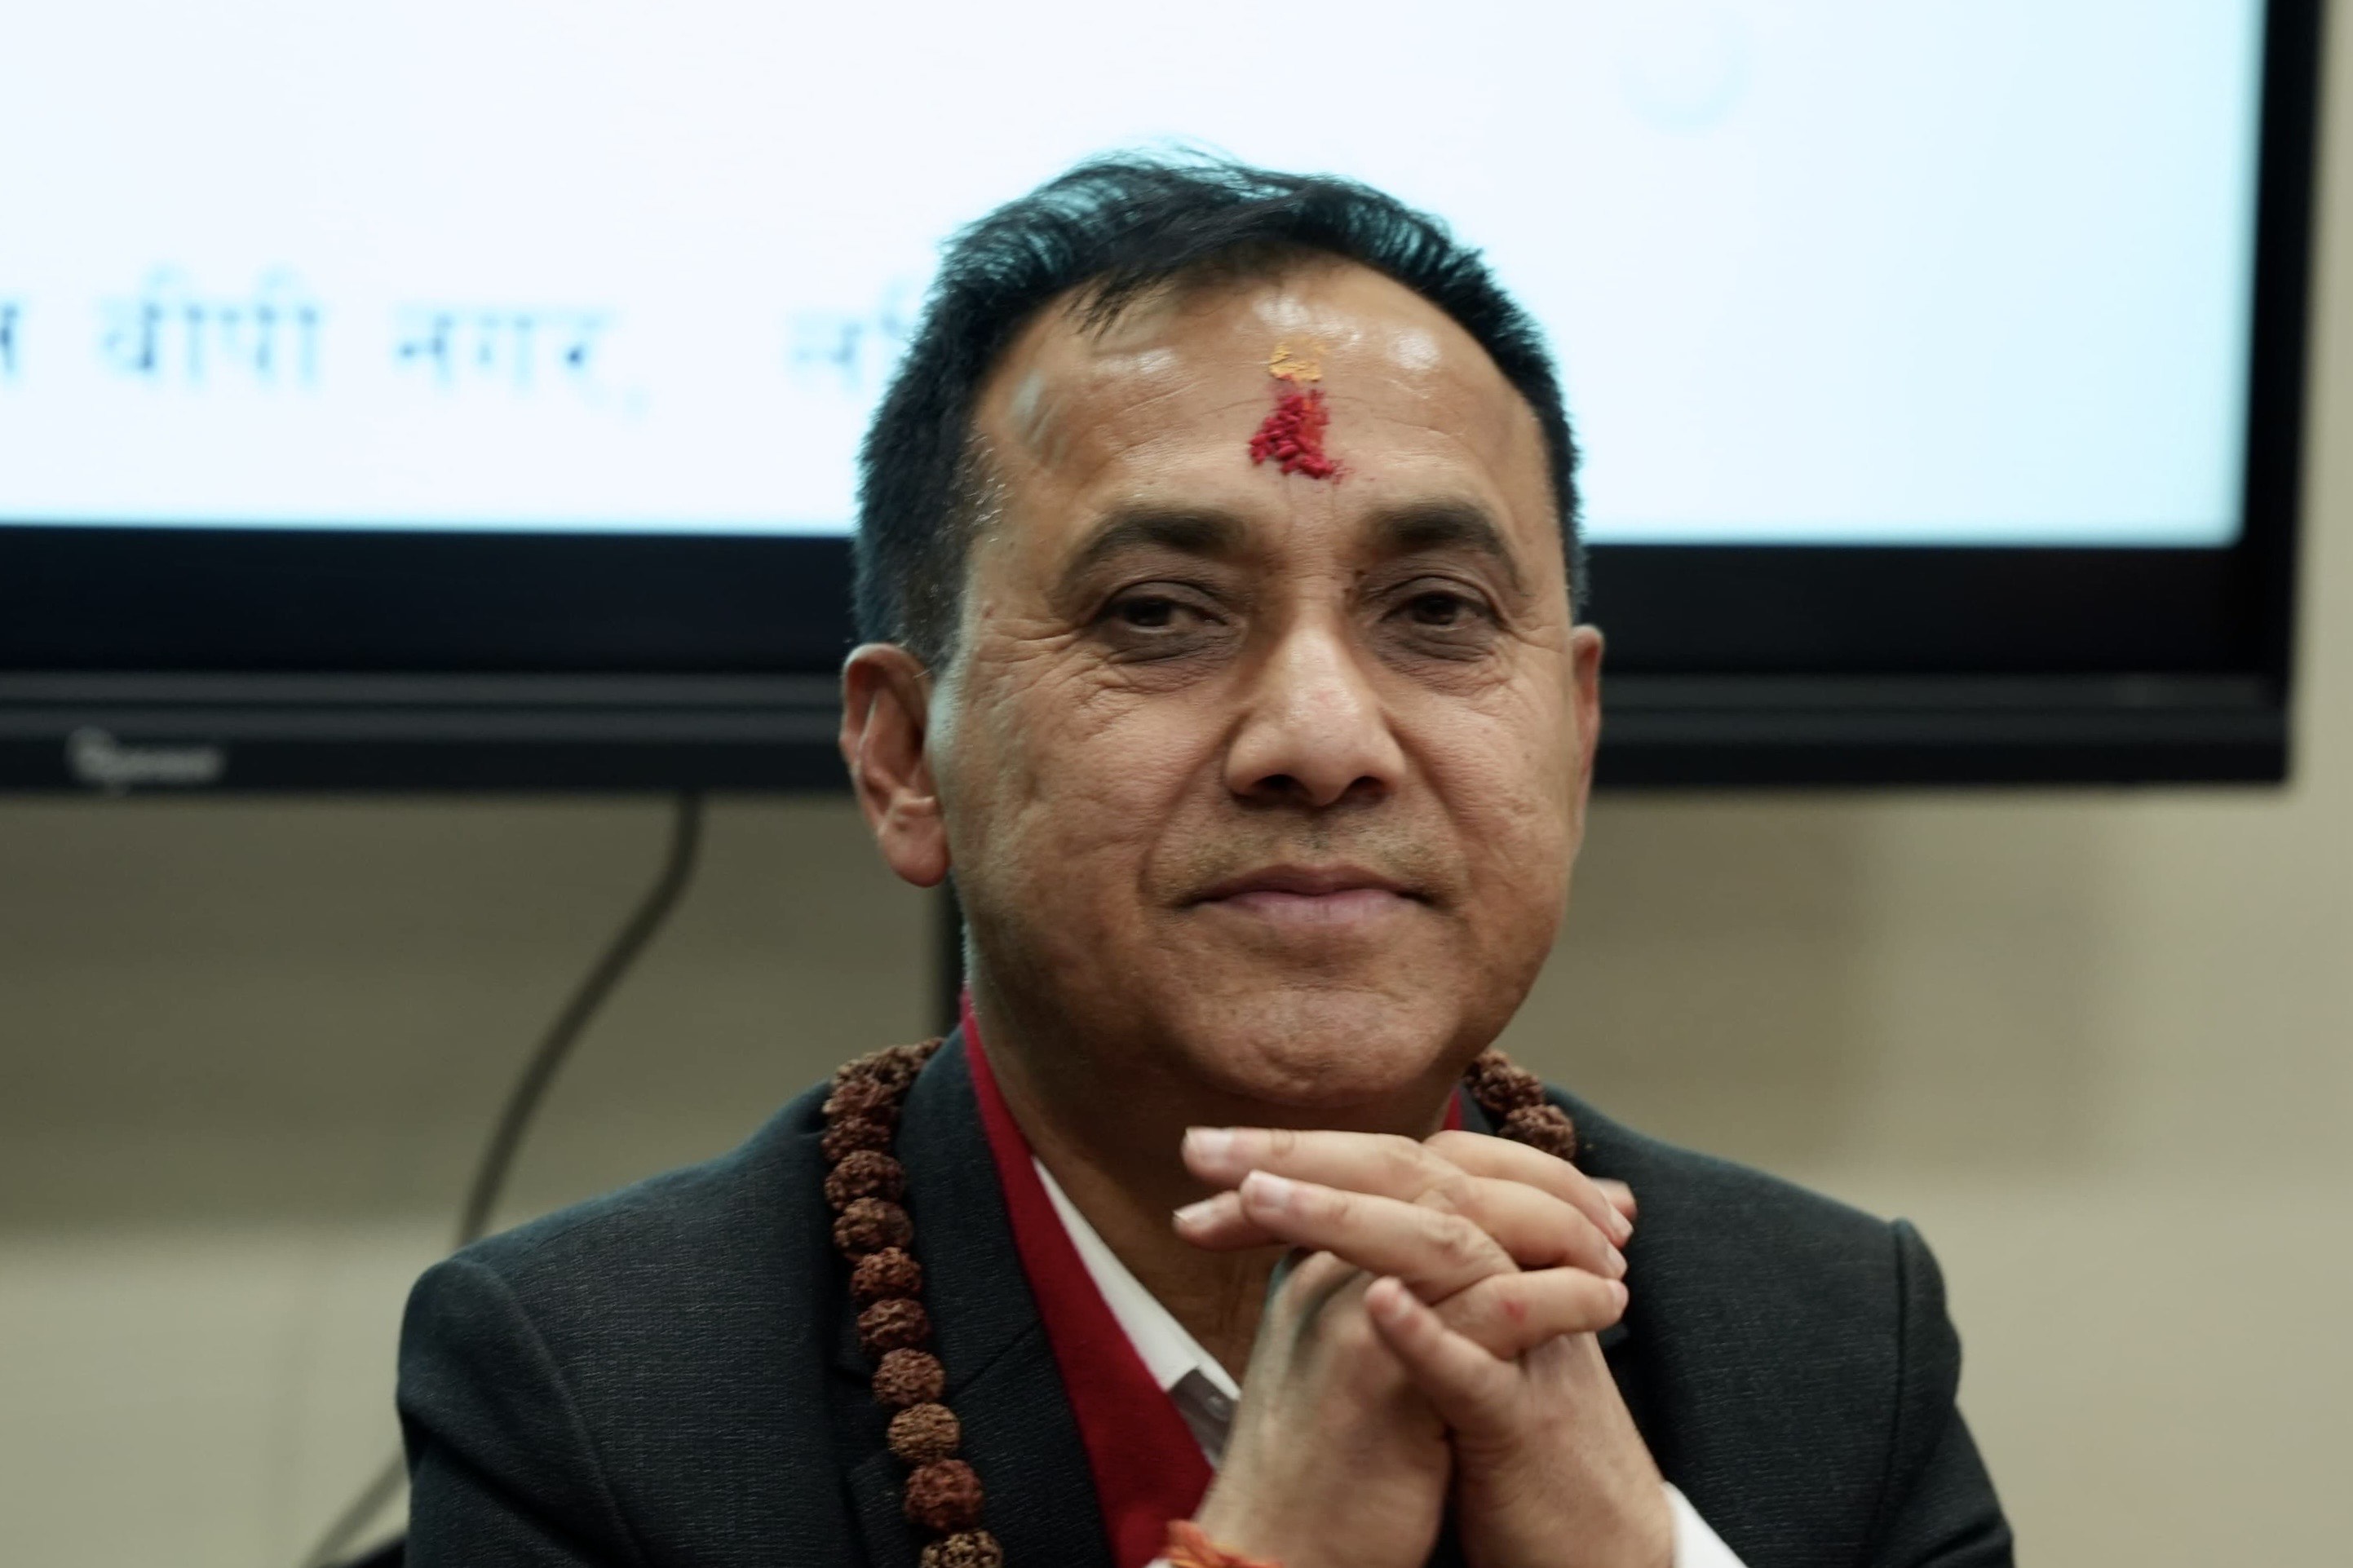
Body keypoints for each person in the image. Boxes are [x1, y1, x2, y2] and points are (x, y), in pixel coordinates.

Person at [397, 156, 2014, 1568]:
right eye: (1158, 615)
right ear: (904, 760)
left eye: (1436, 613)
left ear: (1574, 734)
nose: (1321, 736)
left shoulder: (1825, 1345)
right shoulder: (601, 1390)